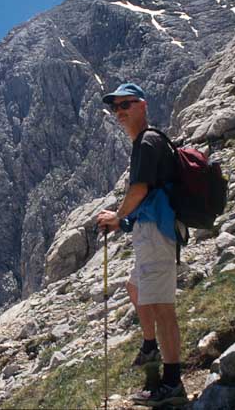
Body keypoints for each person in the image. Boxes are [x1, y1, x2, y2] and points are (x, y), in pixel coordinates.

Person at [96, 82, 187, 407]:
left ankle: (173, 383)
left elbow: (139, 190)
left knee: (163, 308)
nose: (119, 112)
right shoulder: (144, 144)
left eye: (125, 105)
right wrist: (123, 221)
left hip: (157, 233)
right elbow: (148, 194)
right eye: (115, 107)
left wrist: (117, 217)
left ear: (142, 105)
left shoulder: (148, 141)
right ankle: (150, 345)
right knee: (135, 288)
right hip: (149, 230)